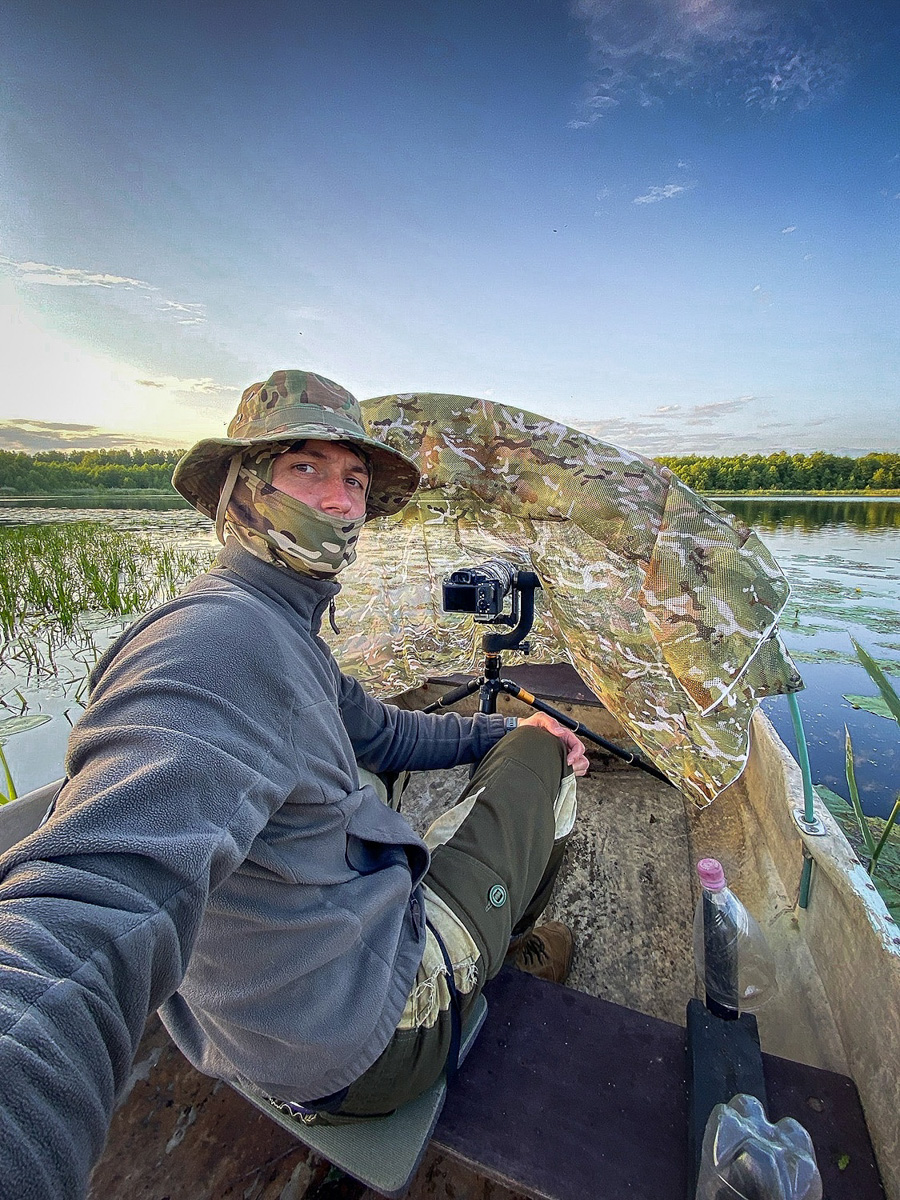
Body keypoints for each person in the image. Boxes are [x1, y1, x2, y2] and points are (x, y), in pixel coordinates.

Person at [0, 369, 587, 1197]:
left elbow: (379, 729)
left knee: (431, 753)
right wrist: (535, 742)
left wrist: (500, 727)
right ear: (241, 489)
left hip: (250, 1023)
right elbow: (89, 910)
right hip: (367, 1042)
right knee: (547, 763)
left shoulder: (273, 622)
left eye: (354, 480)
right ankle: (507, 952)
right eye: (306, 468)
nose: (342, 501)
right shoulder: (217, 646)